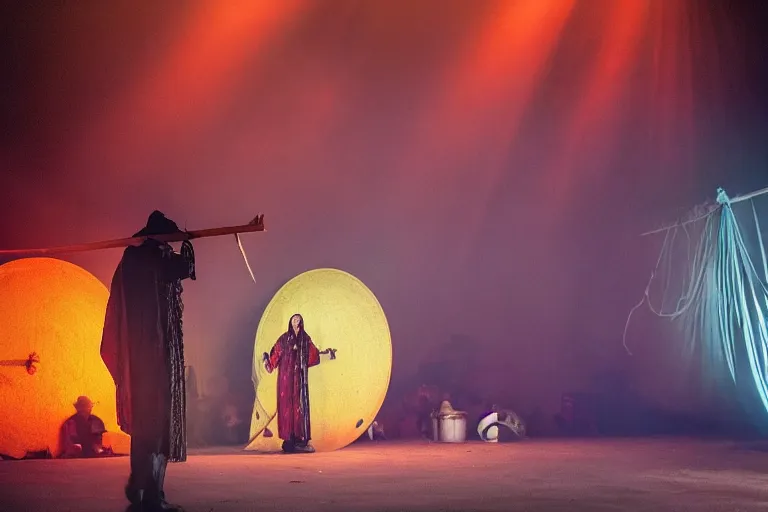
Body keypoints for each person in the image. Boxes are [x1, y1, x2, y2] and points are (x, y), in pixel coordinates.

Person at [100, 211, 196, 511]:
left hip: (139, 357)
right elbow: (184, 267)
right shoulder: (155, 257)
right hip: (155, 359)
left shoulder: (132, 259)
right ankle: (152, 494)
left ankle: (141, 487)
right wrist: (188, 244)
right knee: (157, 425)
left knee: (146, 425)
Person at [262, 314, 336, 453]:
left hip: (300, 378)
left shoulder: (305, 338)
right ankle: (288, 438)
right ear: (290, 321)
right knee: (286, 406)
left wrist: (325, 354)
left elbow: (313, 353)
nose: (296, 321)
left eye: (298, 320)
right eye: (294, 319)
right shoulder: (284, 338)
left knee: (300, 405)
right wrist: (269, 362)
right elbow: (277, 352)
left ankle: (301, 439)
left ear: (301, 322)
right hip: (286, 376)